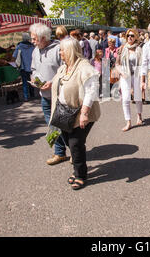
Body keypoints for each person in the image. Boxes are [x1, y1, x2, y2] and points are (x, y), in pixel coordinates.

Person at [51, 37, 101, 190]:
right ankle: (78, 168)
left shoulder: (84, 67)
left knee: (75, 143)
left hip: (80, 113)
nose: (60, 53)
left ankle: (80, 174)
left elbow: (91, 91)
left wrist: (84, 113)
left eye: (62, 50)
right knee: (68, 141)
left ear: (71, 51)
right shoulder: (64, 67)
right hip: (64, 113)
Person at [29, 23, 69, 165]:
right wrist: (34, 78)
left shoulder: (59, 49)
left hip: (59, 95)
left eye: (35, 39)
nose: (32, 41)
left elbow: (66, 70)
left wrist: (52, 82)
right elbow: (33, 68)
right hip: (44, 95)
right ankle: (59, 153)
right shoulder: (35, 51)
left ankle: (75, 152)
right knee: (52, 125)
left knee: (64, 125)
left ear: (44, 37)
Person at [115, 29, 143, 132]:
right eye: (127, 36)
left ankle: (139, 116)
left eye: (131, 35)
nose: (129, 37)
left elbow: (143, 63)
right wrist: (121, 72)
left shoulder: (139, 49)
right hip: (125, 76)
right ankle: (128, 122)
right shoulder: (122, 49)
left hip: (136, 75)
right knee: (126, 99)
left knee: (138, 97)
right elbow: (117, 64)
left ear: (135, 36)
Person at [13, 33, 35, 102]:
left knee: (25, 82)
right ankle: (32, 94)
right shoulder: (32, 46)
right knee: (32, 80)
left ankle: (26, 96)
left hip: (23, 67)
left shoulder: (19, 46)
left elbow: (14, 55)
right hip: (31, 66)